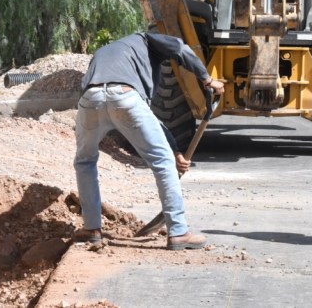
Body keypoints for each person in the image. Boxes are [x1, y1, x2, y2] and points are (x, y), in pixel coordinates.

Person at [73, 32, 225, 250]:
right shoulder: (145, 39)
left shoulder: (107, 52)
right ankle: (178, 232)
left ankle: (91, 229)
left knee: (84, 161)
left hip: (90, 98)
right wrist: (207, 79)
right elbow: (180, 48)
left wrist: (175, 151)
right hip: (125, 95)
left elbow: (148, 118)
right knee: (162, 163)